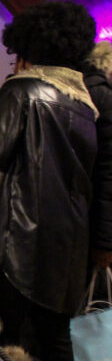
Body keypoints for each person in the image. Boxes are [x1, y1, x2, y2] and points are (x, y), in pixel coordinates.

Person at [0, 1, 98, 361]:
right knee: (57, 335)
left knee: (14, 339)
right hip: (70, 235)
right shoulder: (82, 100)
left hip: (22, 235)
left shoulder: (22, 90)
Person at [83, 42, 112, 275]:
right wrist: (105, 241)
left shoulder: (78, 89)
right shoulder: (105, 96)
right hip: (98, 212)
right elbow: (107, 171)